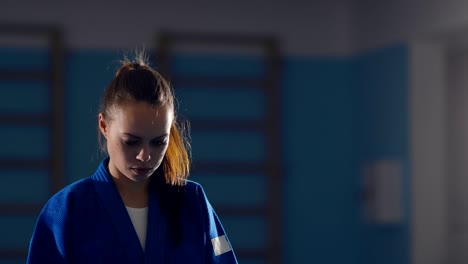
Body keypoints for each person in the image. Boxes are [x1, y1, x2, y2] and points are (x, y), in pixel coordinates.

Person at [26, 53, 238, 264]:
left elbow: (223, 257)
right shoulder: (65, 211)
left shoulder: (193, 202)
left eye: (158, 142)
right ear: (104, 126)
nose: (144, 155)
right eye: (131, 141)